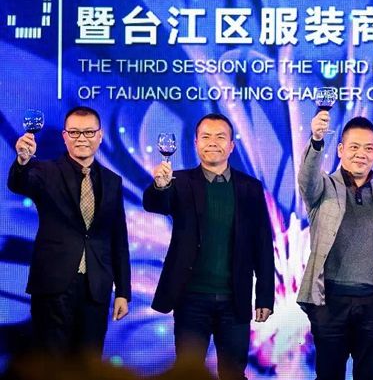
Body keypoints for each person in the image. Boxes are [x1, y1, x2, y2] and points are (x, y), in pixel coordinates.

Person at [142, 113, 274, 380]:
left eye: (220, 137)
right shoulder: (179, 182)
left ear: (232, 145)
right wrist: (160, 186)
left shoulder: (250, 187)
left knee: (233, 374)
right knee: (187, 374)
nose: (212, 142)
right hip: (190, 298)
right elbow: (155, 204)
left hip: (234, 300)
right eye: (206, 137)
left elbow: (262, 244)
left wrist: (264, 297)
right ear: (195, 143)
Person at [7, 106, 131, 356]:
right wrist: (22, 162)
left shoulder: (112, 181)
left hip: (96, 286)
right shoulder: (44, 171)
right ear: (64, 136)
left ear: (100, 135)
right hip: (53, 285)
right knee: (51, 363)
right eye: (74, 132)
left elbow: (118, 238)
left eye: (88, 132)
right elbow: (18, 183)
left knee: (88, 362)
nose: (81, 138)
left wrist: (123, 292)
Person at [297, 113, 373, 380]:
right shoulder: (323, 188)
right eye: (354, 147)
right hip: (330, 302)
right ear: (340, 150)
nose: (361, 154)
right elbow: (306, 178)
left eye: (368, 148)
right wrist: (316, 141)